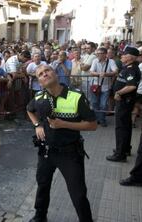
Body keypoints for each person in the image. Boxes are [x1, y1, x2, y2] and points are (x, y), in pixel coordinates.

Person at [26, 64, 96, 222]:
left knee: (78, 193)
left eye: (47, 71)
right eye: (40, 75)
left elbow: (92, 125)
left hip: (70, 153)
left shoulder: (76, 96)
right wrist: (37, 125)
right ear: (40, 82)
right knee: (42, 186)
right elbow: (29, 110)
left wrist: (64, 124)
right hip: (46, 152)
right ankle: (40, 216)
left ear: (55, 74)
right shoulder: (39, 97)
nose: (44, 74)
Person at [106, 47, 141, 162]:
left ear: (130, 57)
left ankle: (120, 154)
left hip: (124, 101)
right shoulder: (128, 67)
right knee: (125, 126)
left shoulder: (131, 69)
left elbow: (131, 86)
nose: (121, 56)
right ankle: (124, 149)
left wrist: (118, 92)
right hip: (124, 101)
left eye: (124, 55)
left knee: (121, 127)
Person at [88, 47, 118, 127]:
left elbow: (115, 71)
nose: (98, 55)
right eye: (97, 53)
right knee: (94, 103)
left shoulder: (111, 61)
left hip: (106, 86)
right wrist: (98, 74)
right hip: (95, 85)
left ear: (105, 54)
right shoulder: (95, 61)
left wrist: (106, 74)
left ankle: (102, 119)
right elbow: (91, 72)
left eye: (100, 53)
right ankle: (97, 119)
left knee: (103, 104)